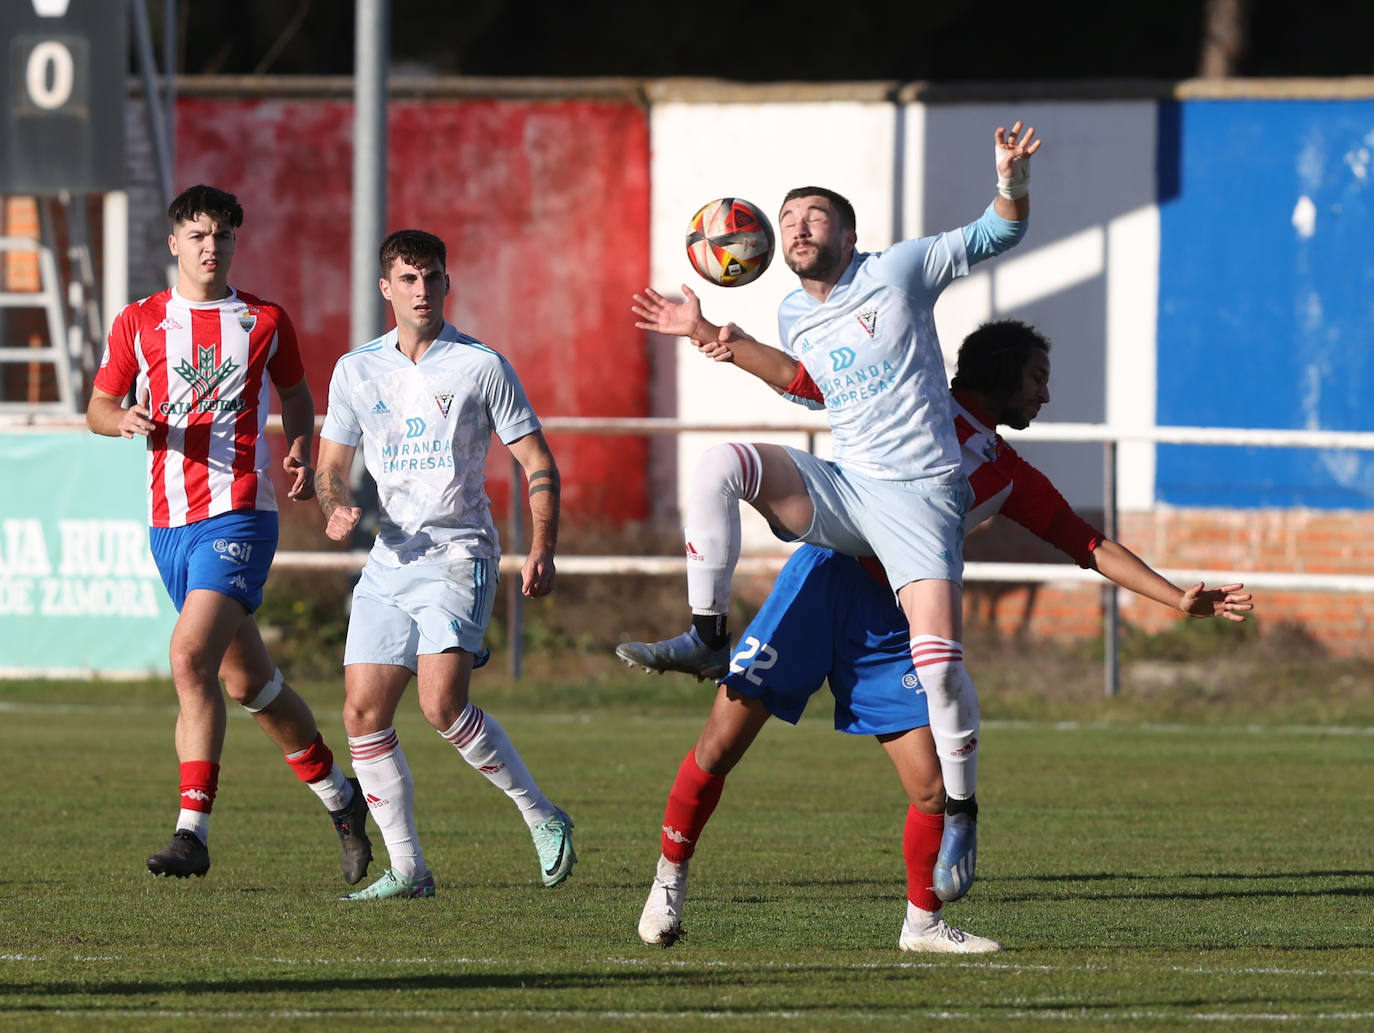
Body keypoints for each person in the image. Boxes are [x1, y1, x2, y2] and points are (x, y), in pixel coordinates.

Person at [632, 318, 1254, 951]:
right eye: (1037, 378)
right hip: (823, 582)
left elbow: (1084, 541)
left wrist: (1175, 595)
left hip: (898, 612)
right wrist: (722, 339)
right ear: (1002, 373)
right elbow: (809, 381)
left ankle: (922, 924)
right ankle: (667, 885)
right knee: (720, 743)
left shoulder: (1009, 473)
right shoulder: (911, 397)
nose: (1044, 395)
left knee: (931, 784)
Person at [621, 122, 1042, 901]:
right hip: (849, 489)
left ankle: (964, 809)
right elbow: (805, 382)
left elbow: (999, 230)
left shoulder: (901, 270)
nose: (797, 227)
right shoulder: (791, 311)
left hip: (919, 502)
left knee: (942, 672)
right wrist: (709, 334)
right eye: (786, 220)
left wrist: (1009, 177)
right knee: (723, 462)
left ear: (848, 233)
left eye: (814, 215)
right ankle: (711, 635)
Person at [86, 184, 373, 882]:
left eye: (224, 235)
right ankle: (342, 797)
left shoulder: (264, 320)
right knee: (248, 683)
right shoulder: (139, 322)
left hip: (240, 513)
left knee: (189, 658)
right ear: (174, 242)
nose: (212, 246)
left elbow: (300, 392)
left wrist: (301, 449)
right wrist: (122, 419)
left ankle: (192, 831)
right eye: (199, 234)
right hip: (170, 527)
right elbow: (97, 404)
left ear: (234, 243)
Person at [313, 228, 575, 900]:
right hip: (390, 556)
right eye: (408, 279)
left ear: (447, 284)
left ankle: (542, 815)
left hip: (461, 553)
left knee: (440, 703)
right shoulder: (355, 369)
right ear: (386, 288)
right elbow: (330, 468)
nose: (421, 290)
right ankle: (408, 870)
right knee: (362, 712)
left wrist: (542, 544)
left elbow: (537, 461)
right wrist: (336, 505)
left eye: (431, 278)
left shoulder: (479, 364)